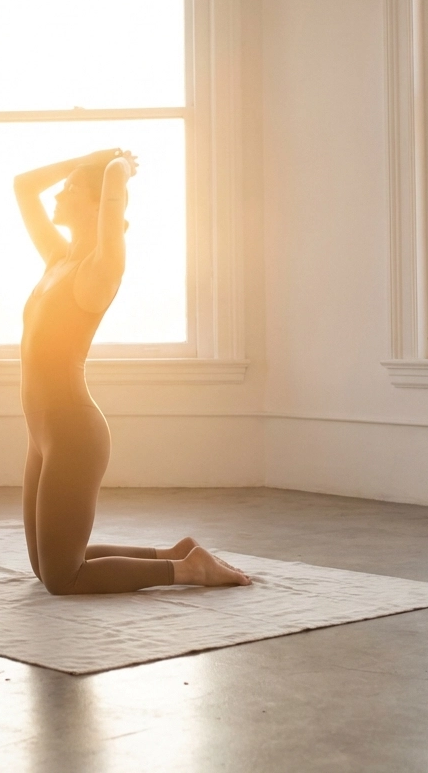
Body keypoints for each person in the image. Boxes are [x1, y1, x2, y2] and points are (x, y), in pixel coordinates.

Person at [14, 147, 252, 595]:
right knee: (45, 567)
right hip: (39, 435)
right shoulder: (56, 259)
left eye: (69, 189)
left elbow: (111, 199)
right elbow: (23, 186)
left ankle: (188, 571)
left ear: (96, 202)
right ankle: (179, 553)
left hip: (72, 435)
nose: (57, 194)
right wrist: (93, 157)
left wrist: (116, 170)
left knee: (64, 579)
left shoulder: (100, 269)